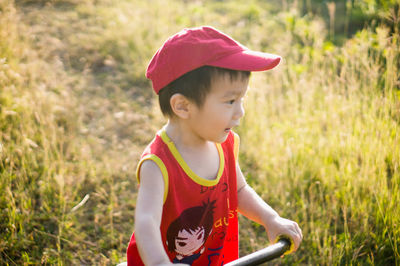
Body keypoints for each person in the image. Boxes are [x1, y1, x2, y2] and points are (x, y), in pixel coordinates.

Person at [127, 26, 302, 266]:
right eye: (230, 101)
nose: (240, 112)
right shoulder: (158, 164)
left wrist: (270, 218)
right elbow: (146, 220)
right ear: (183, 106)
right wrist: (159, 262)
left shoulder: (225, 144)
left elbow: (239, 191)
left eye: (242, 99)